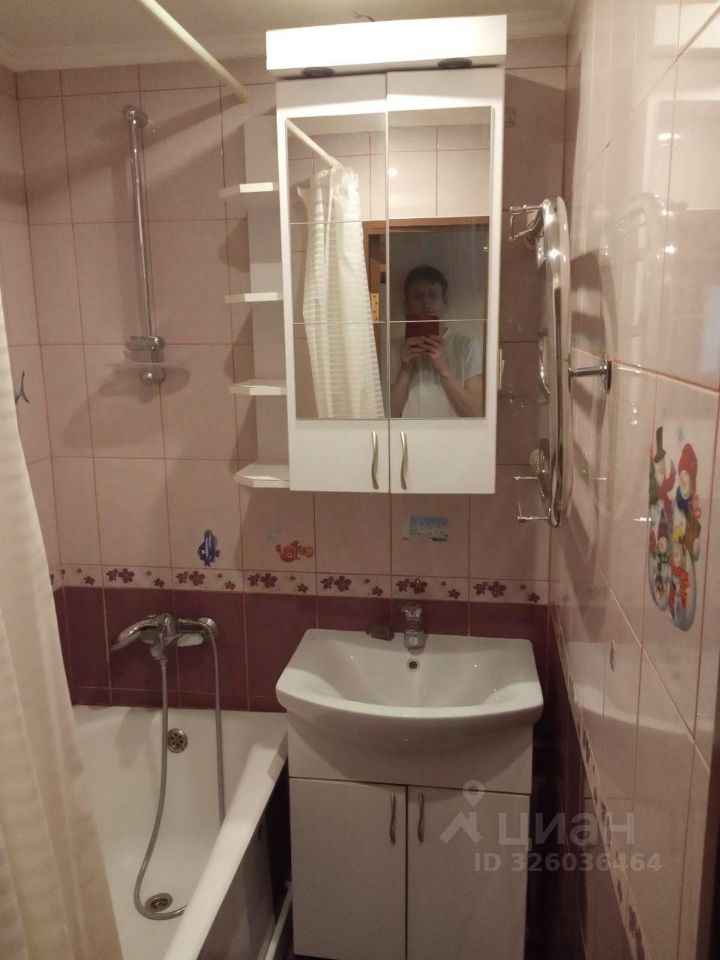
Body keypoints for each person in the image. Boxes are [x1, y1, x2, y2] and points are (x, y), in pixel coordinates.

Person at [390, 265, 484, 418]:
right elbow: (388, 415)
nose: (426, 302)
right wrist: (405, 369)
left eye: (433, 295)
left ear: (444, 299)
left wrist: (443, 369)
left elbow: (476, 414)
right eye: (417, 297)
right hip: (409, 433)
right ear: (407, 303)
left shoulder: (467, 346)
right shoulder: (395, 349)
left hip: (455, 433)